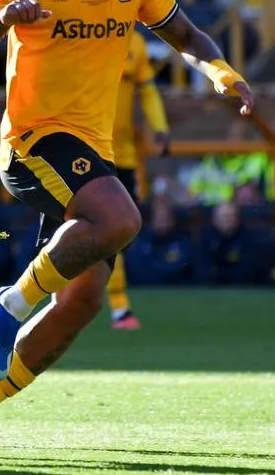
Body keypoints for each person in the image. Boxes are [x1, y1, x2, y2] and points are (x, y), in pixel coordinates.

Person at [0, 0, 255, 447]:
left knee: (81, 303)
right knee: (121, 218)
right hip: (32, 143)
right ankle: (8, 302)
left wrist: (219, 71)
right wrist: (4, 19)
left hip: (90, 154)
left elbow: (184, 34)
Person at [106, 29, 170, 330]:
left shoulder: (136, 43)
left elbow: (147, 89)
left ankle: (99, 294)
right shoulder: (82, 33)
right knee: (107, 229)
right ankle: (119, 305)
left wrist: (160, 126)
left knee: (122, 231)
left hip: (125, 155)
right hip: (85, 150)